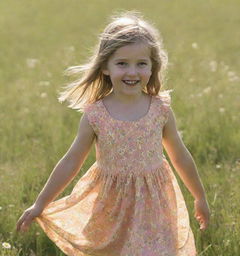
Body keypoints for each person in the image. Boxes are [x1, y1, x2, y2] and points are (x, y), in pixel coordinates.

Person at [16, 11, 210, 256]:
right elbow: (71, 160)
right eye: (122, 64)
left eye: (141, 63)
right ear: (105, 67)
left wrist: (199, 196)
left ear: (153, 67)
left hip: (154, 202)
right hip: (110, 204)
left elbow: (180, 156)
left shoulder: (160, 110)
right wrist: (41, 203)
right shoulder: (96, 115)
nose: (132, 72)